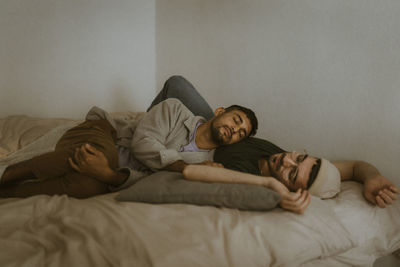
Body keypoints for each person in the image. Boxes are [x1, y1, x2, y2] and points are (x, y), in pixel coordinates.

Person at [141, 76, 398, 213]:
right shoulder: (290, 158)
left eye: (292, 172)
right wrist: (373, 177)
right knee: (176, 84)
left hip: (208, 149)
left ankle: (147, 139)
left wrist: (272, 185)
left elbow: (192, 171)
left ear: (291, 187)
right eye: (297, 158)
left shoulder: (254, 183)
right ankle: (148, 126)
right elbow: (354, 168)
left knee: (149, 149)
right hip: (224, 131)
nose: (286, 160)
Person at [0, 76, 258, 198]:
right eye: (236, 120)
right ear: (220, 112)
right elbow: (142, 145)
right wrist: (184, 167)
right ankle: (8, 174)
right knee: (97, 154)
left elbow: (154, 182)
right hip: (106, 134)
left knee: (90, 187)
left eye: (240, 134)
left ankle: (10, 193)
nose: (235, 130)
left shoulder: (206, 163)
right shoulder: (175, 108)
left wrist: (110, 177)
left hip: (116, 168)